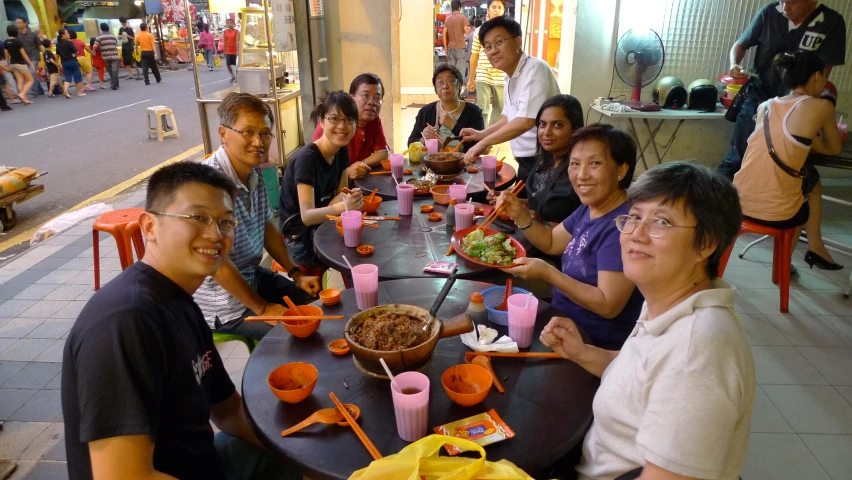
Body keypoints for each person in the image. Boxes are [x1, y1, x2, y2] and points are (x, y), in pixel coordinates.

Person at [62, 162, 298, 480]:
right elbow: (125, 476)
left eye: (226, 222)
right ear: (149, 227)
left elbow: (228, 411)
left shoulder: (182, 302)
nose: (215, 234)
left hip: (207, 462)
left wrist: (299, 451)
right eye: (197, 217)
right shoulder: (125, 323)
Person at [541, 161, 755, 480]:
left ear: (706, 244)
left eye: (662, 222)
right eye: (635, 217)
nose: (636, 235)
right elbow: (643, 376)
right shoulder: (668, 299)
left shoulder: (696, 355)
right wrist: (582, 352)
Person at [499, 124, 643, 350]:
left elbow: (608, 304)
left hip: (592, 343)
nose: (581, 174)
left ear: (621, 171)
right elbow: (551, 242)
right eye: (575, 164)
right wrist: (518, 214)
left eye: (595, 163)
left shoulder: (623, 227)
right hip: (561, 323)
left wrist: (548, 273)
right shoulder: (590, 207)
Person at [195, 93, 321, 341]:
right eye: (248, 132)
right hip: (221, 303)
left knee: (312, 306)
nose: (258, 141)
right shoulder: (208, 185)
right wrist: (263, 308)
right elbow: (216, 264)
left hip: (250, 275)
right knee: (293, 335)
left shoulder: (254, 171)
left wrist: (296, 273)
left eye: (264, 134)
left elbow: (266, 228)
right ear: (223, 134)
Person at [734, 51, 843, 271]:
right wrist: (808, 136)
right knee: (808, 185)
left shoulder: (765, 106)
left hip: (738, 200)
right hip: (777, 211)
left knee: (810, 179)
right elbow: (834, 148)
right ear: (816, 77)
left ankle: (814, 247)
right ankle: (791, 260)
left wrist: (799, 137)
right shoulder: (821, 106)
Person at [718, 0, 846, 181]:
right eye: (782, 1)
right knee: (738, 156)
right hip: (759, 94)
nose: (784, 8)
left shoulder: (831, 22)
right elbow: (740, 44)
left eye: (792, 3)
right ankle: (716, 202)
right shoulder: (770, 11)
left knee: (793, 163)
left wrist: (810, 108)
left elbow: (823, 72)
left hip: (798, 106)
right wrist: (734, 64)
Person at [461, 16, 561, 186]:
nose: (493, 50)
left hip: (545, 161)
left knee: (536, 211)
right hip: (527, 162)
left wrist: (483, 143)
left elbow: (525, 121)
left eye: (499, 42)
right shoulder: (510, 77)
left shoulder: (534, 68)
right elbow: (509, 118)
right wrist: (480, 135)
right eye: (488, 47)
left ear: (517, 42)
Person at [280, 91, 364, 269]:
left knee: (364, 243)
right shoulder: (307, 159)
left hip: (321, 227)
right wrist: (343, 206)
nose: (342, 126)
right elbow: (307, 216)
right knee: (354, 257)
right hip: (300, 238)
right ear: (321, 120)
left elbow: (342, 192)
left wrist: (350, 199)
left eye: (349, 120)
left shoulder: (341, 150)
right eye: (334, 118)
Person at [487, 94, 584, 226]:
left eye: (557, 125)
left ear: (575, 129)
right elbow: (537, 205)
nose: (546, 132)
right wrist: (510, 200)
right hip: (528, 234)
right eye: (542, 124)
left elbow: (579, 226)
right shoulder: (544, 160)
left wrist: (536, 221)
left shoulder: (579, 172)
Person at [311, 73, 389, 179]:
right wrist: (347, 173)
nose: (372, 103)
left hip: (354, 187)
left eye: (377, 98)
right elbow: (317, 171)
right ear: (351, 98)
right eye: (365, 96)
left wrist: (359, 165)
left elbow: (383, 153)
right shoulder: (332, 126)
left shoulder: (373, 120)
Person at [407, 64, 484, 153]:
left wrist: (453, 126)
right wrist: (423, 138)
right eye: (440, 83)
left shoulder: (473, 111)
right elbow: (410, 144)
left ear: (459, 86)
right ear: (435, 88)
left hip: (465, 164)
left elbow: (481, 146)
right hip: (432, 165)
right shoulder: (426, 112)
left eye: (450, 81)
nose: (445, 86)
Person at [467, 0, 506, 128]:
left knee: (500, 109)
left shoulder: (508, 32)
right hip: (483, 73)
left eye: (499, 7)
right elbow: (474, 56)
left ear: (503, 10)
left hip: (501, 74)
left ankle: (491, 136)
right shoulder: (480, 31)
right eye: (493, 7)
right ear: (488, 10)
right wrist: (471, 79)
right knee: (483, 109)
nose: (496, 10)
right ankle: (482, 136)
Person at [4, 26, 36, 105]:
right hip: (20, 63)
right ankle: (22, 94)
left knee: (20, 81)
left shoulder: (6, 42)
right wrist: (31, 63)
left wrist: (8, 64)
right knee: (30, 80)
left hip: (12, 63)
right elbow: (23, 54)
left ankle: (23, 99)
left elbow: (6, 55)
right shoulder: (17, 42)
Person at [14, 17, 45, 96]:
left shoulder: (32, 34)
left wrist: (44, 54)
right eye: (17, 23)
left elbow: (40, 45)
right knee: (30, 73)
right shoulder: (17, 35)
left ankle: (34, 90)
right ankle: (40, 89)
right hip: (24, 58)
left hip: (34, 56)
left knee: (31, 72)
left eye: (20, 22)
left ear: (25, 23)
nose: (18, 24)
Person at [442, 0, 471, 75]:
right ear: (459, 7)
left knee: (451, 70)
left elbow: (443, 33)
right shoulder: (462, 18)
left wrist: (445, 48)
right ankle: (459, 86)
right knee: (460, 70)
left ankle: (452, 86)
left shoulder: (447, 19)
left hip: (451, 47)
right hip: (461, 47)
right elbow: (468, 33)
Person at [56, 29, 85, 98]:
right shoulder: (69, 42)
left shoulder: (58, 44)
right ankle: (79, 92)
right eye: (67, 33)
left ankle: (65, 90)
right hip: (72, 61)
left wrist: (57, 63)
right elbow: (76, 51)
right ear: (63, 35)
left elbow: (57, 55)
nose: (68, 34)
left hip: (64, 62)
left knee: (67, 77)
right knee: (77, 76)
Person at [96, 23, 121, 90]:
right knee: (114, 70)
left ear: (101, 28)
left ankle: (114, 84)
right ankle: (115, 84)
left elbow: (95, 45)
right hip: (114, 55)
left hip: (106, 56)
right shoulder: (112, 35)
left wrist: (93, 50)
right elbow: (116, 43)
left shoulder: (99, 37)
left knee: (110, 70)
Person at [223, 18, 239, 83]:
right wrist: (224, 50)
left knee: (236, 65)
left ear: (233, 23)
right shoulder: (225, 32)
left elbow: (237, 41)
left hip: (234, 50)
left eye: (231, 22)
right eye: (228, 23)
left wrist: (237, 50)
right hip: (228, 50)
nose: (229, 24)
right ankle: (233, 75)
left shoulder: (236, 31)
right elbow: (225, 41)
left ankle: (237, 77)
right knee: (228, 64)